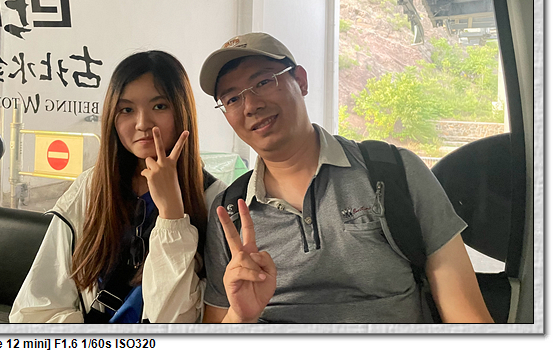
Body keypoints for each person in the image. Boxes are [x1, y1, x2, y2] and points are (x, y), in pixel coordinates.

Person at [145, 32, 495, 324]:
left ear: (300, 80)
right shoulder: (230, 212)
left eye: (263, 82)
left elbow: (467, 316)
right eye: (232, 99)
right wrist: (241, 316)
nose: (250, 106)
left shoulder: (393, 171)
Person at [9, 50, 226, 323]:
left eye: (160, 106)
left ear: (182, 111)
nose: (142, 123)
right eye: (127, 110)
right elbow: (36, 307)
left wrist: (172, 216)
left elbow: (172, 321)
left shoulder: (216, 201)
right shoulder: (91, 188)